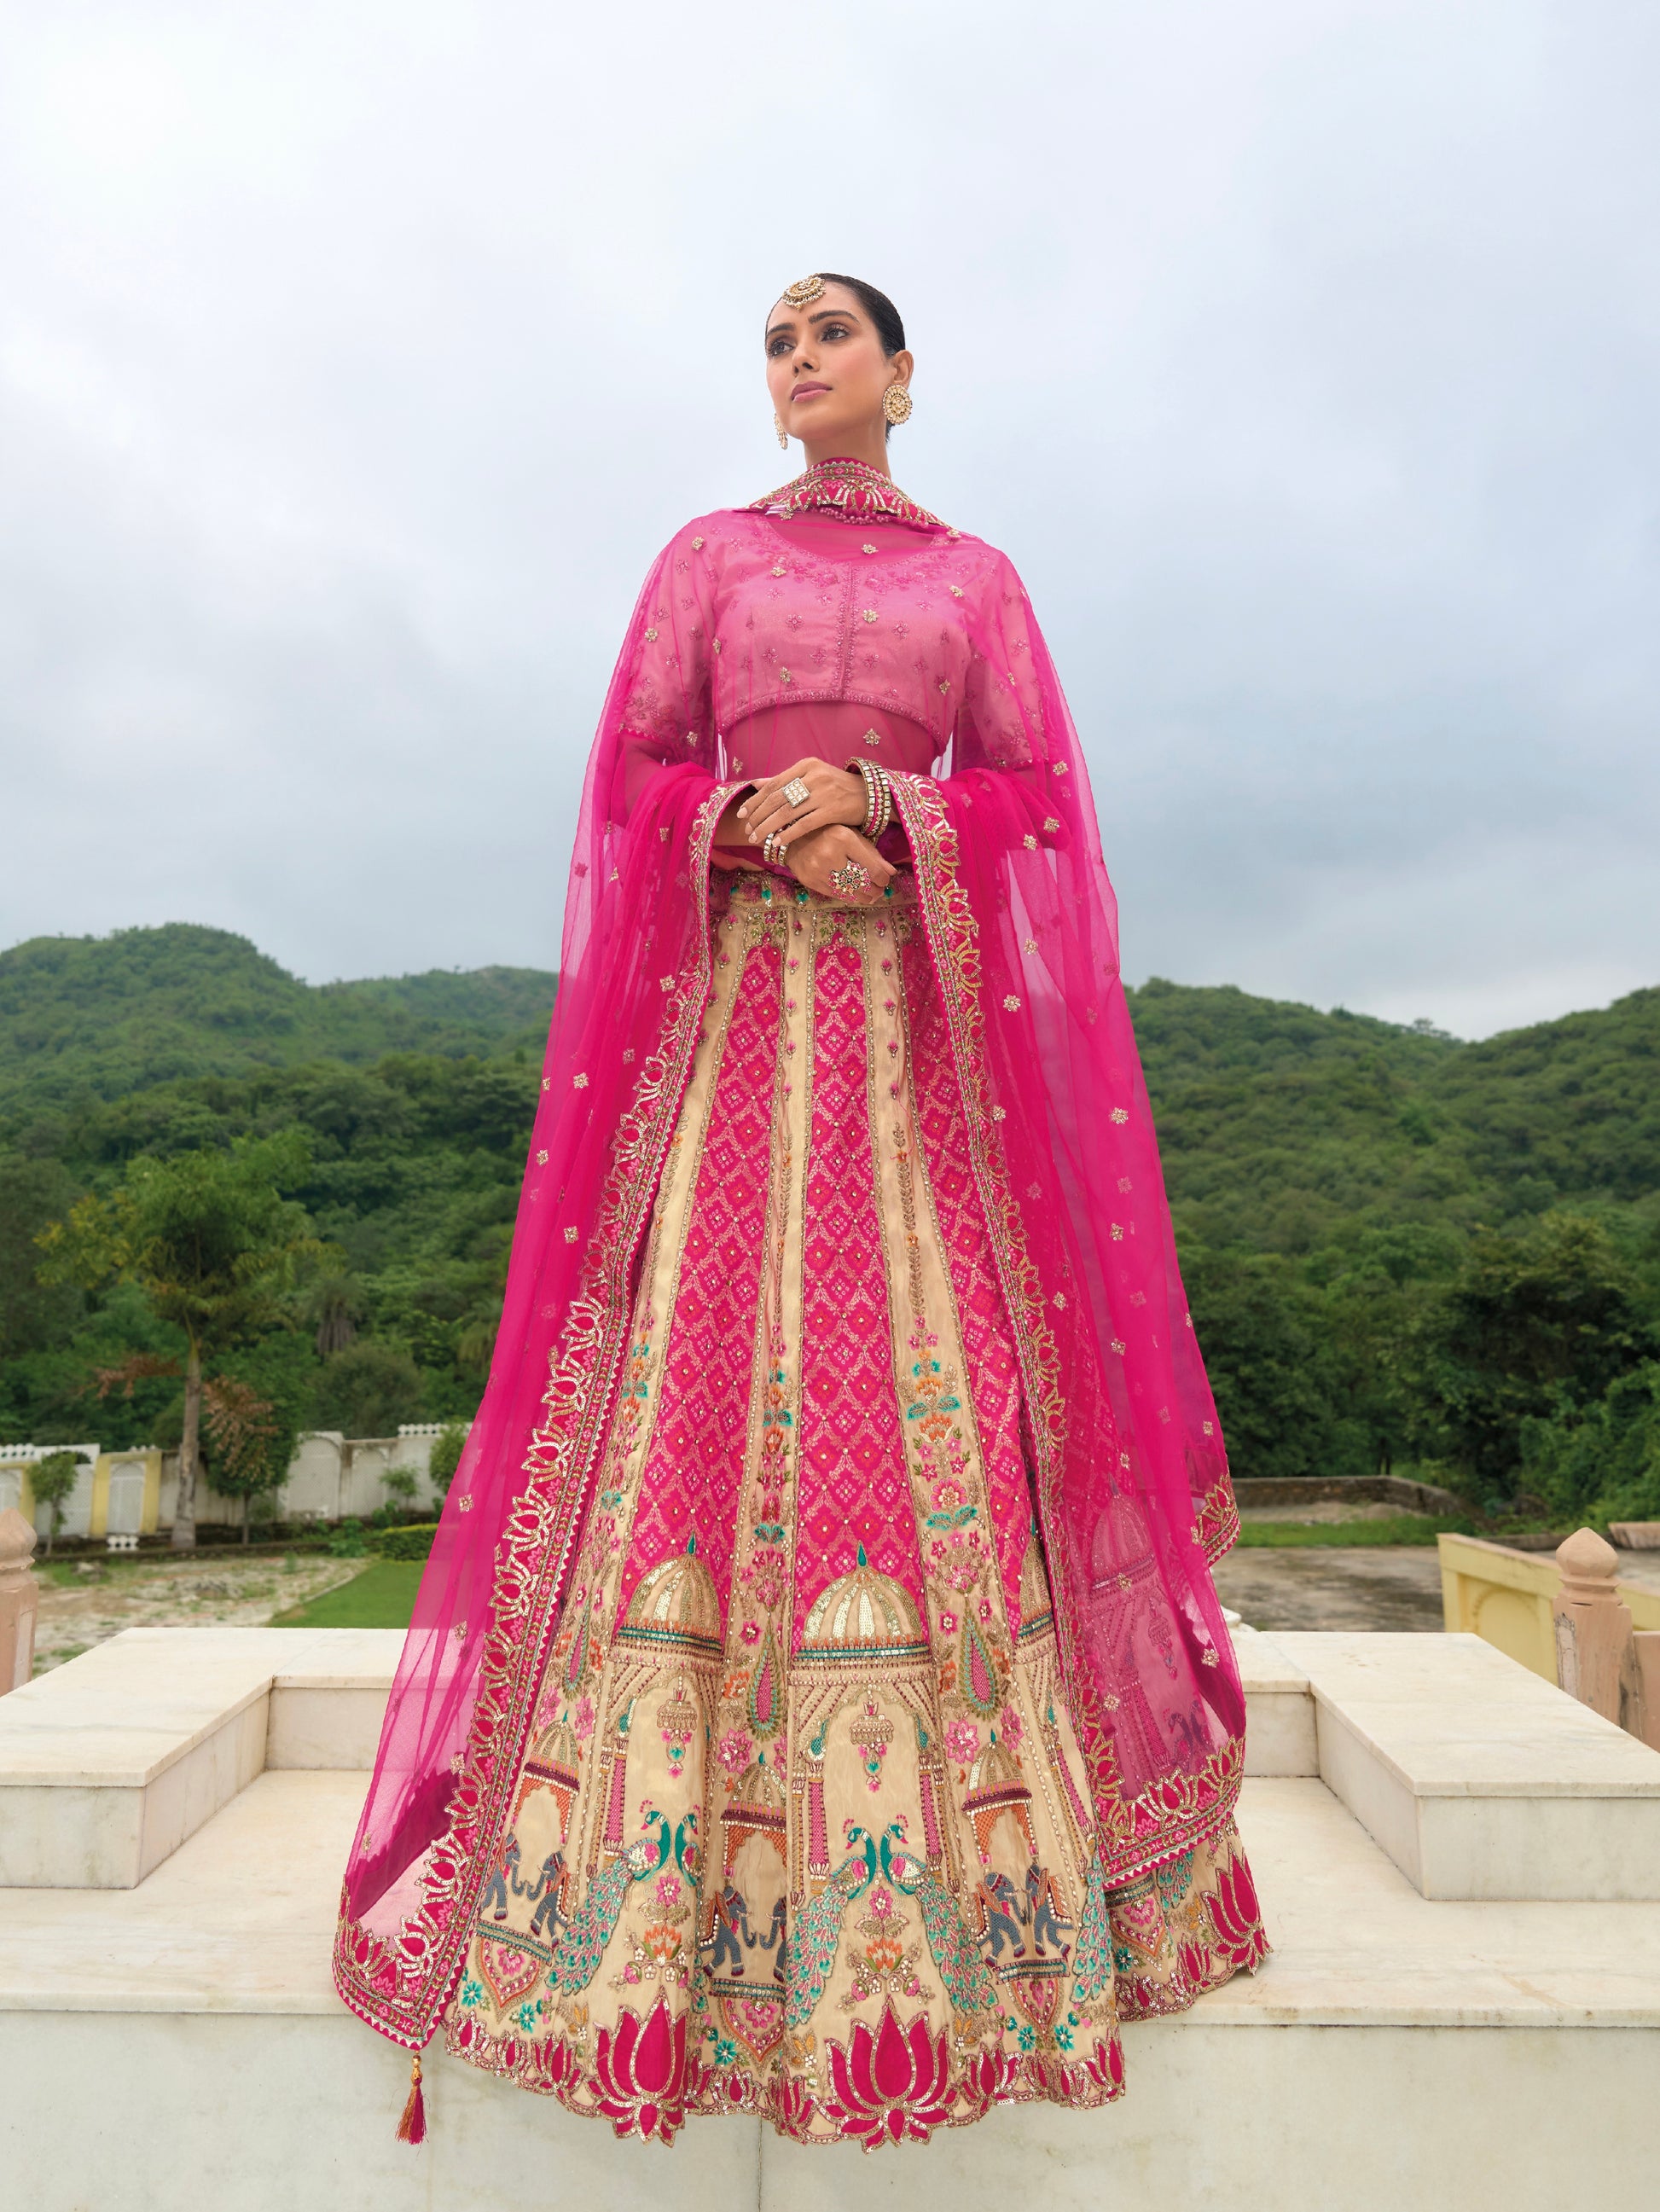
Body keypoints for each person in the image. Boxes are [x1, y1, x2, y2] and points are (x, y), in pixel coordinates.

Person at [334, 273, 1267, 2150]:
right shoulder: (704, 558)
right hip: (742, 1031)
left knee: (942, 1385)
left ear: (905, 376)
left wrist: (898, 817)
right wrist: (765, 818)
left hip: (918, 1052)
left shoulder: (977, 583)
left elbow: (1037, 797)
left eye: (830, 332)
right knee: (696, 1379)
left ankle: (979, 1891)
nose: (797, 362)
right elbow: (634, 770)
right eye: (773, 342)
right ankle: (645, 1892)